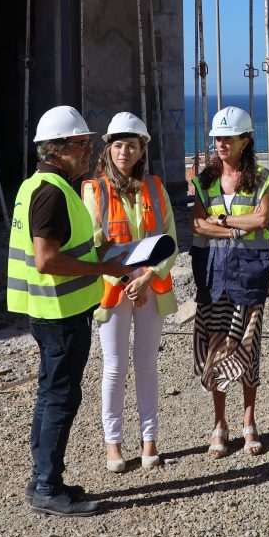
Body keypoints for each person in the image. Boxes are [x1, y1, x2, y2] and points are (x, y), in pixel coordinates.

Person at [7, 105, 128, 517]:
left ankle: (46, 476)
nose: (89, 149)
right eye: (81, 143)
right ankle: (46, 486)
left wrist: (97, 251)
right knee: (60, 397)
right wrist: (103, 268)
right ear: (57, 149)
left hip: (53, 311)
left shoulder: (38, 185)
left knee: (50, 394)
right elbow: (46, 260)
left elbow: (60, 248)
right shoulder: (51, 192)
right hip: (60, 313)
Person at [82, 112, 178, 473]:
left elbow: (169, 241)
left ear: (141, 152)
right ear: (109, 149)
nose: (125, 151)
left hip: (150, 288)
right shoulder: (94, 189)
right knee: (114, 367)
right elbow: (95, 246)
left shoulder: (155, 187)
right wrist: (128, 282)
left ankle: (150, 440)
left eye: (132, 146)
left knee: (147, 365)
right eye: (119, 145)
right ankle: (114, 444)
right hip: (114, 290)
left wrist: (147, 279)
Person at [190, 106, 269, 458]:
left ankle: (249, 420)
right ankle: (220, 423)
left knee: (248, 348)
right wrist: (238, 226)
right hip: (213, 277)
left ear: (245, 140)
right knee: (216, 346)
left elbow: (262, 219)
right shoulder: (204, 181)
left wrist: (222, 219)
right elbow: (197, 225)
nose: (220, 144)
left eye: (227, 138)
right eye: (217, 139)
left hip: (249, 275)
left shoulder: (263, 178)